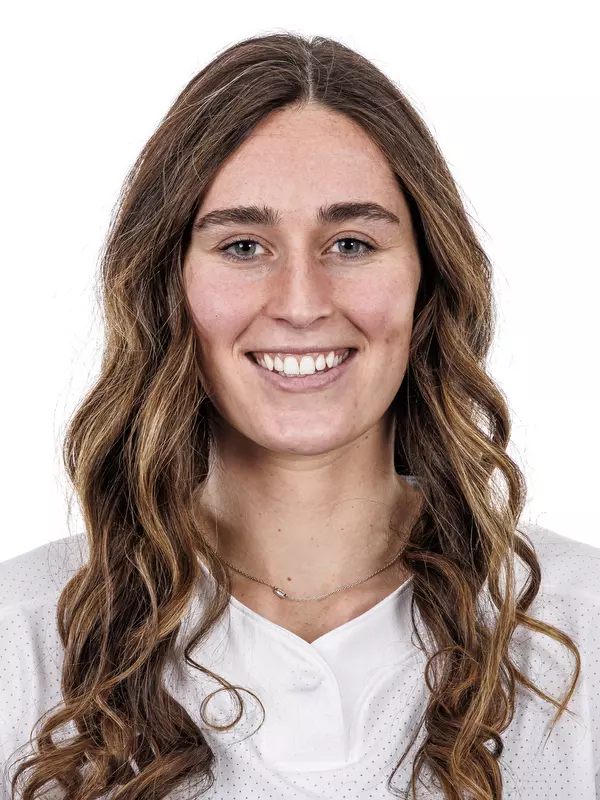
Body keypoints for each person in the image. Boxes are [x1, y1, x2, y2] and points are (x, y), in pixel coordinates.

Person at [1, 31, 599, 800]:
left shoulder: (575, 632)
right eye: (244, 246)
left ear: (428, 281)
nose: (302, 302)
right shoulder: (24, 645)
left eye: (350, 243)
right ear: (166, 288)